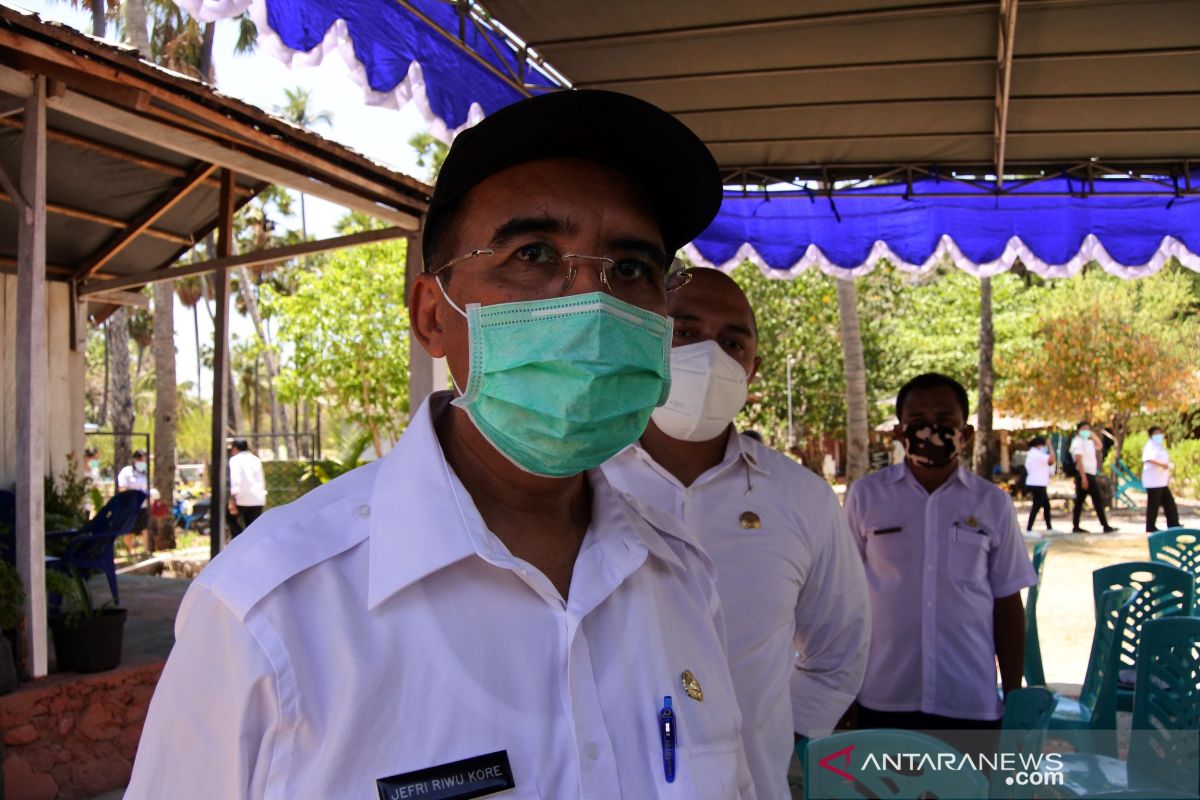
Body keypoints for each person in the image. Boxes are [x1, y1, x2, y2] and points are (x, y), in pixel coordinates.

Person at [127, 90, 755, 799]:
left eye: (632, 268)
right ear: (434, 316)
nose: (593, 303)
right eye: (535, 253)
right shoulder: (272, 614)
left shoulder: (681, 579)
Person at [603, 269, 870, 800]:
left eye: (731, 343)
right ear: (643, 338)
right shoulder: (580, 480)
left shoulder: (801, 497)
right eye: (683, 331)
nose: (709, 357)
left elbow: (842, 648)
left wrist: (773, 733)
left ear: (753, 369)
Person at [844, 373, 1036, 737]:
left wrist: (1014, 693)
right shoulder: (865, 497)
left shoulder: (993, 504)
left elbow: (1008, 604)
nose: (931, 430)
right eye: (917, 423)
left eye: (945, 421)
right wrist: (844, 693)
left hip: (968, 698)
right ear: (900, 433)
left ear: (965, 433)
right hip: (883, 696)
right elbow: (845, 601)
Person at [1069, 421, 1117, 533]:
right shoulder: (1077, 442)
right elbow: (1078, 460)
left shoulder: (1088, 442)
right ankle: (1102, 525)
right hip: (1083, 475)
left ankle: (1103, 525)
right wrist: (1083, 478)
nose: (1086, 431)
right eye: (1084, 429)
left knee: (1087, 501)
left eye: (1088, 429)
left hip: (1091, 474)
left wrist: (1092, 434)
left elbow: (1099, 445)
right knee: (1090, 500)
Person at [1143, 426, 1181, 532]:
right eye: (1156, 433)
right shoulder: (1150, 446)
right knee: (1153, 505)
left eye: (1160, 433)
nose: (1159, 435)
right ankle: (1150, 526)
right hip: (1153, 482)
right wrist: (1164, 465)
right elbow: (1148, 458)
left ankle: (1173, 524)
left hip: (1161, 481)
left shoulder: (1158, 446)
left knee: (1169, 503)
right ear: (1151, 435)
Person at [226, 439, 266, 538]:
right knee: (252, 527)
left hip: (242, 498)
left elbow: (236, 479)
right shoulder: (255, 459)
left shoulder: (235, 460)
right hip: (258, 498)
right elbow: (261, 479)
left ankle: (239, 539)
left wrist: (233, 499)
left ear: (235, 448)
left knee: (229, 518)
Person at [1024, 436, 1055, 532]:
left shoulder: (1037, 454)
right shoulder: (1035, 454)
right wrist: (1050, 446)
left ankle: (1049, 527)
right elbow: (1051, 459)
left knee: (1046, 505)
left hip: (1040, 483)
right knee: (1036, 506)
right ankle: (1029, 529)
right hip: (1036, 483)